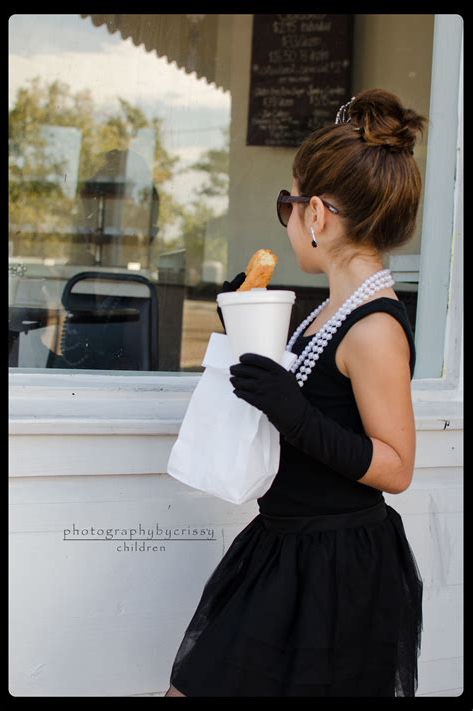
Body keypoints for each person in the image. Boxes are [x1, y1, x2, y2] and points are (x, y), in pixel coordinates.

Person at [165, 88, 425, 697]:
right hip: (285, 548)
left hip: (337, 566)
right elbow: (310, 395)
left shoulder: (375, 327)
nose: (286, 218)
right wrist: (245, 331)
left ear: (317, 215)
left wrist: (293, 412)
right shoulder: (326, 312)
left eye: (289, 201)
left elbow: (397, 466)